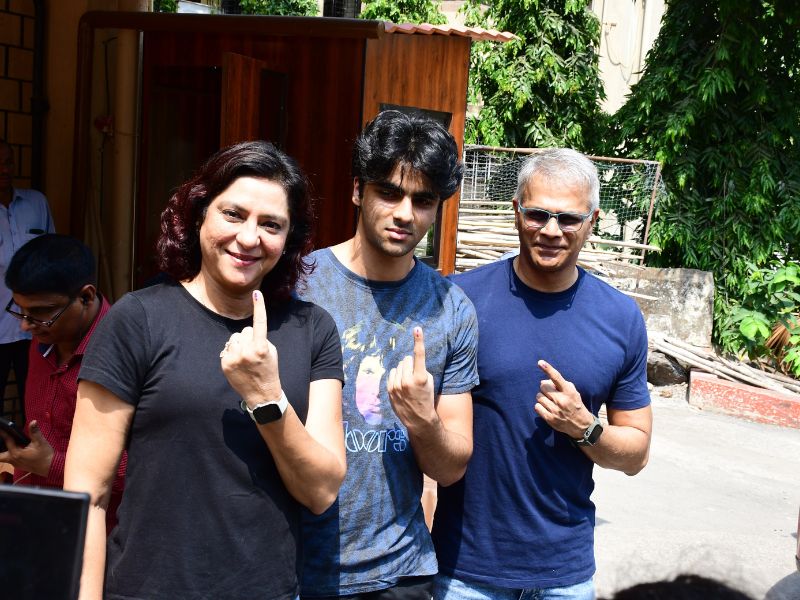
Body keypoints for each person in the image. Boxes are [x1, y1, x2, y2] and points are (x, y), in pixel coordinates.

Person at [63, 141, 346, 600]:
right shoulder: (138, 320)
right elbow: (87, 496)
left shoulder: (312, 329)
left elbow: (321, 491)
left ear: (289, 239)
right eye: (233, 214)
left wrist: (266, 398)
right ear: (198, 216)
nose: (250, 238)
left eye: (271, 224)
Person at [432, 148, 653, 599]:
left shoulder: (620, 318)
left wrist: (585, 427)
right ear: (516, 211)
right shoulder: (459, 300)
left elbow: (636, 454)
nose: (551, 230)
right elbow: (424, 436)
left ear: (592, 221)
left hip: (565, 574)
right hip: (466, 571)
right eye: (538, 214)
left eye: (568, 219)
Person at [299, 110, 479, 599]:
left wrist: (424, 421)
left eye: (423, 200)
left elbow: (451, 468)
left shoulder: (451, 308)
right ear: (358, 190)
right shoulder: (298, 286)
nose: (405, 213)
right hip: (292, 566)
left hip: (401, 573)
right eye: (390, 192)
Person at [0, 234, 125, 530]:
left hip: (97, 532)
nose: (25, 325)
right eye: (20, 310)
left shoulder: (127, 352)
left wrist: (52, 465)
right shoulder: (43, 336)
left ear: (86, 297)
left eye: (40, 313)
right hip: (34, 516)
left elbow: (148, 467)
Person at [0, 140, 55, 416]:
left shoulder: (36, 203)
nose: (4, 169)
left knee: (34, 403)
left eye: (8, 162)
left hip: (33, 326)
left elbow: (53, 257)